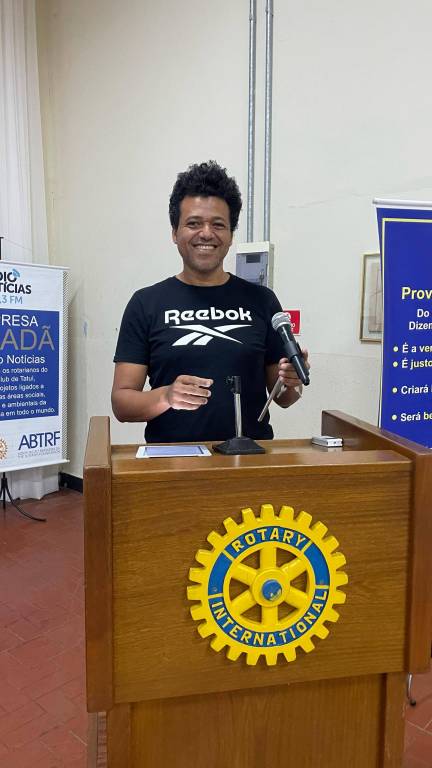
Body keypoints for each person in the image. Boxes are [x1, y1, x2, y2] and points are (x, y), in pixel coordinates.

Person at [112, 161, 309, 443]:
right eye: (193, 223)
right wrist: (166, 396)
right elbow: (122, 403)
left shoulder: (262, 300)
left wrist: (291, 382)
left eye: (218, 224)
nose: (206, 233)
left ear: (230, 236)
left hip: (248, 458)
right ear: (175, 232)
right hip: (172, 460)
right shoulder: (146, 303)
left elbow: (284, 399)